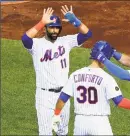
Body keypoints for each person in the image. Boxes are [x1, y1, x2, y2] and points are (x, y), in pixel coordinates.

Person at [21, 5, 92, 135]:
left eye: (57, 28)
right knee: (45, 133)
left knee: (62, 131)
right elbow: (25, 39)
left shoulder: (66, 41)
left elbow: (87, 34)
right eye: (51, 27)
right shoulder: (36, 45)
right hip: (44, 96)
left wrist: (75, 21)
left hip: (63, 95)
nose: (54, 30)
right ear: (46, 28)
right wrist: (41, 22)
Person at [51, 41, 130, 135]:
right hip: (99, 123)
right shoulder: (106, 78)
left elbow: (62, 98)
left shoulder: (75, 74)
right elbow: (120, 101)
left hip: (80, 123)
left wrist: (56, 114)